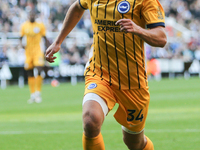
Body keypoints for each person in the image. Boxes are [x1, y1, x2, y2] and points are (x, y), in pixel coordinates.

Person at [45, 0, 167, 149]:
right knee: (91, 120)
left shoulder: (145, 1)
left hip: (132, 81)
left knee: (134, 143)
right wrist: (58, 41)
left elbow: (161, 38)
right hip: (100, 73)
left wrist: (138, 29)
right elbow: (77, 8)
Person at [20, 10, 50, 104]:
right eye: (30, 14)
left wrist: (49, 48)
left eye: (33, 14)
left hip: (38, 51)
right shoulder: (24, 26)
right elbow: (20, 38)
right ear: (28, 16)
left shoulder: (40, 25)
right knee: (29, 72)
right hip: (28, 52)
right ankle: (32, 94)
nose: (32, 16)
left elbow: (45, 38)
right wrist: (22, 45)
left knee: (39, 69)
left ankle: (38, 93)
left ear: (35, 16)